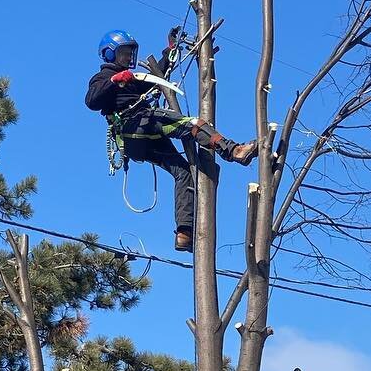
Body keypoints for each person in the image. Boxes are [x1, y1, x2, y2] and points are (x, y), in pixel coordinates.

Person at [85, 28, 257, 251]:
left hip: (142, 139)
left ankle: (184, 232)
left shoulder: (133, 80)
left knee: (183, 172)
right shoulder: (102, 77)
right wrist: (114, 81)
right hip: (136, 125)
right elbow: (91, 101)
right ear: (110, 54)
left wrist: (170, 50)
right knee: (193, 124)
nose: (128, 58)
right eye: (124, 53)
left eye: (130, 53)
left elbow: (157, 76)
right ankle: (233, 150)